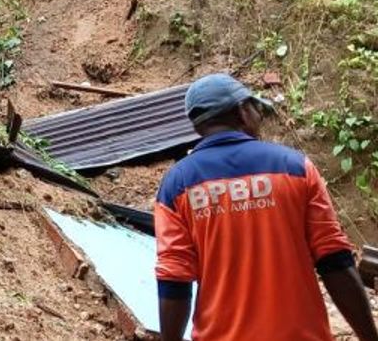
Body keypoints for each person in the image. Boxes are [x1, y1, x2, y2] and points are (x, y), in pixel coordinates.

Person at [154, 73, 378, 341]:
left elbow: (174, 279)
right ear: (242, 112)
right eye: (256, 108)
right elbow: (334, 260)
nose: (260, 116)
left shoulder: (176, 185)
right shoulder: (296, 168)